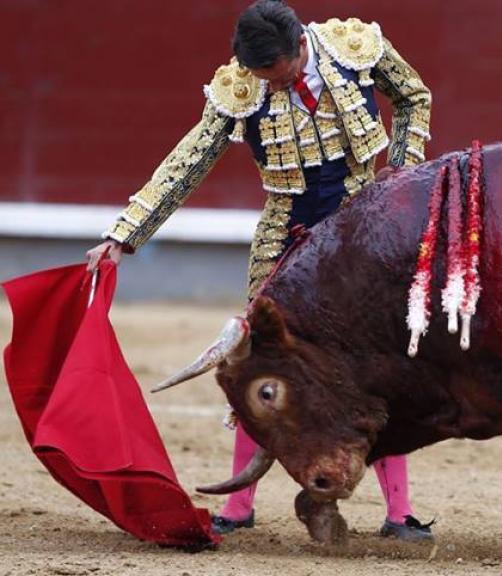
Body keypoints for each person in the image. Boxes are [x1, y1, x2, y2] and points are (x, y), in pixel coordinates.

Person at [85, 0, 434, 541]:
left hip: (364, 223)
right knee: (258, 359)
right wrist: (122, 235)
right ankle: (239, 504)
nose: (271, 86)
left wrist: (403, 176)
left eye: (281, 75)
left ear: (301, 45)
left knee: (379, 359)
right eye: (260, 76)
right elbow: (189, 158)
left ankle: (400, 514)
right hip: (286, 233)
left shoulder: (353, 46)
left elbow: (413, 95)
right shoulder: (239, 88)